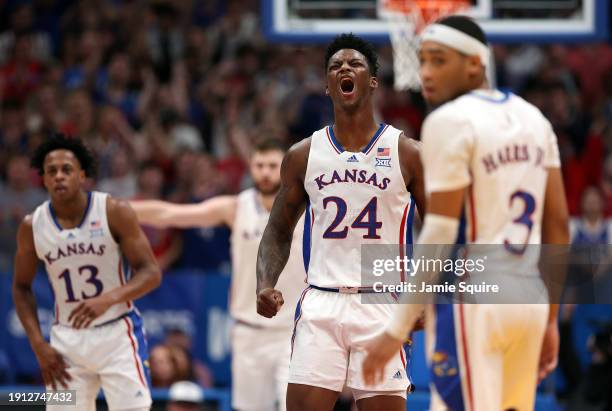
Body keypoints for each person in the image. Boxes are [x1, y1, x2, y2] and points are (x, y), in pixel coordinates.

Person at [361, 16, 569, 411]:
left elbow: (439, 230)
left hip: (475, 301)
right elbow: (558, 225)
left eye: (438, 61)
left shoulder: (449, 121)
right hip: (529, 299)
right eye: (422, 61)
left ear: (475, 64)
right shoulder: (535, 119)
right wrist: (550, 319)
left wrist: (397, 326)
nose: (425, 73)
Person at [256, 33, 425, 411]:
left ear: (373, 81)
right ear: (327, 84)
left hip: (382, 300)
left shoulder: (407, 153)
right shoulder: (303, 155)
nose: (344, 69)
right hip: (322, 300)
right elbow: (278, 229)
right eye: (335, 66)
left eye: (355, 64)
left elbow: (440, 230)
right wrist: (266, 282)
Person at [130, 138, 306, 411]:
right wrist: (111, 209)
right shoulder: (236, 207)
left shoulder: (309, 209)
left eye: (273, 165)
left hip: (293, 332)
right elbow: (169, 213)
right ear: (251, 167)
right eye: (260, 165)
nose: (266, 172)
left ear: (287, 167)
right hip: (248, 331)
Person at [12, 134, 162, 411]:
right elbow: (21, 288)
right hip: (65, 344)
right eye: (51, 171)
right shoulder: (31, 226)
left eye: (66, 170)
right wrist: (37, 343)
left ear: (82, 175)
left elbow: (151, 272)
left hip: (117, 334)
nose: (59, 176)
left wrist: (108, 298)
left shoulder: (114, 211)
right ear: (43, 179)